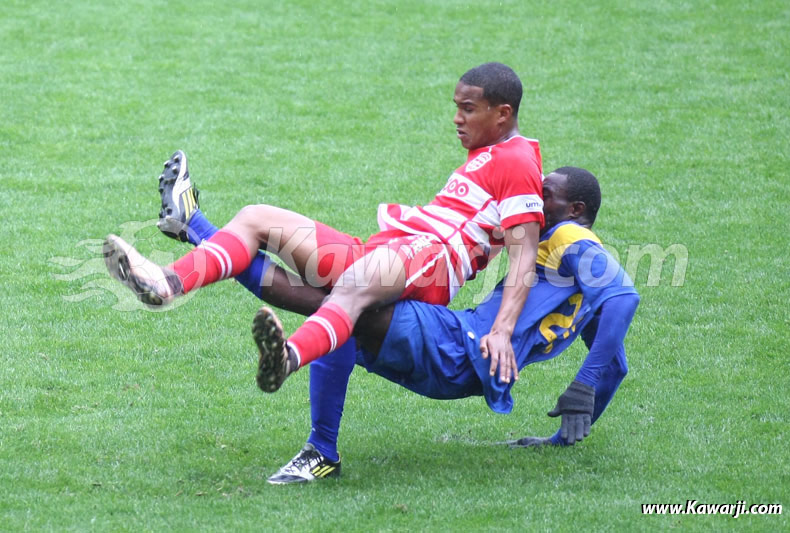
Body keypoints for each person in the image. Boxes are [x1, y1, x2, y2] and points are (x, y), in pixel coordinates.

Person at [150, 154, 639, 484]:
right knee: (337, 306)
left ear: (575, 209)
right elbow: (615, 361)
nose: (534, 198)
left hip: (457, 344)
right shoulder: (565, 269)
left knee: (342, 304)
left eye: (545, 194)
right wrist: (567, 429)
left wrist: (583, 383)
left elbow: (623, 297)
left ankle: (197, 231)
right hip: (458, 353)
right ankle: (194, 227)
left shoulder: (571, 236)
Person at [103, 62, 545, 396]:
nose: (457, 119)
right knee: (256, 218)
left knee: (347, 289)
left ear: (502, 113)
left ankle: (287, 359)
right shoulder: (490, 154)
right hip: (390, 247)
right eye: (456, 108)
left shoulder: (518, 160)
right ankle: (167, 282)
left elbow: (524, 252)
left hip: (428, 260)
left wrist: (503, 328)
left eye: (468, 109)